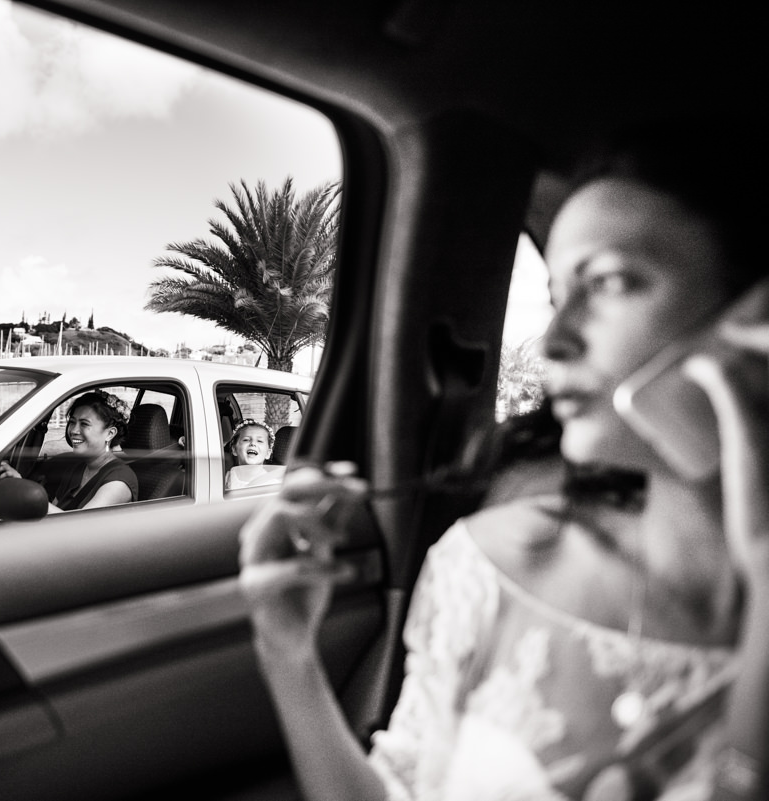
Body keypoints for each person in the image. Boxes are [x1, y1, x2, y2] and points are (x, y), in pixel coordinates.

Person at [239, 123, 768, 801]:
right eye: (555, 294)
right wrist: (288, 652)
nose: (554, 340)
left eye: (608, 282)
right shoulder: (492, 565)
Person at [0, 390, 138, 513]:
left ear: (110, 434)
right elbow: (55, 510)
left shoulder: (119, 482)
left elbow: (78, 526)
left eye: (84, 424)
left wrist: (26, 492)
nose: (73, 431)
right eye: (72, 422)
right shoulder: (78, 468)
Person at [226, 419, 287, 490]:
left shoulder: (274, 486)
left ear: (268, 453)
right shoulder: (223, 479)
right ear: (234, 449)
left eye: (260, 441)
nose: (253, 444)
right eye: (246, 440)